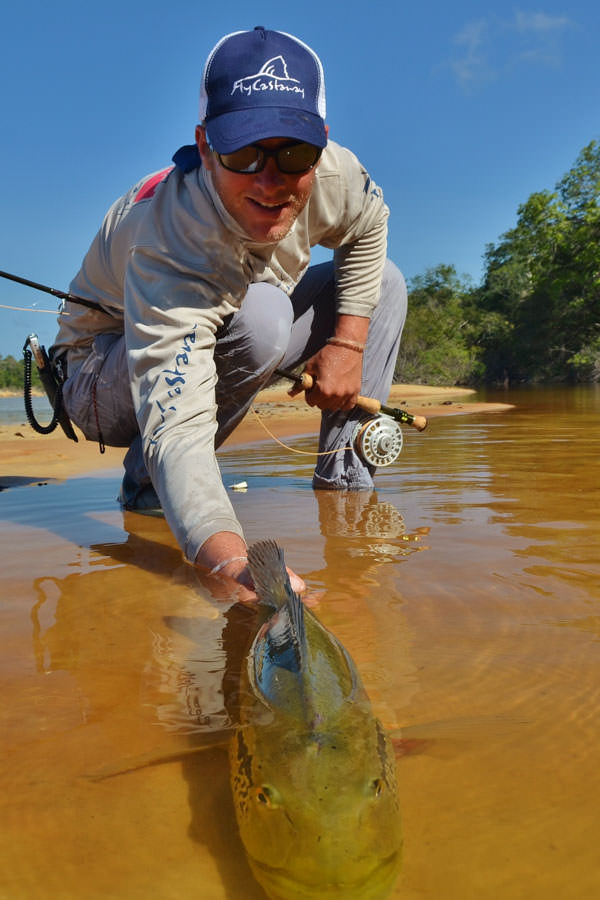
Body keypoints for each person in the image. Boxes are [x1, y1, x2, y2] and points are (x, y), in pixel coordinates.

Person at [51, 26, 407, 597]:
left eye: (293, 153)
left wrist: (348, 344)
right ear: (204, 146)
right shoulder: (169, 238)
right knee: (261, 317)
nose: (270, 180)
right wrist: (228, 562)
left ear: (321, 143)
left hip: (231, 319)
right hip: (98, 375)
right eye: (242, 153)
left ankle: (347, 488)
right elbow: (179, 424)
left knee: (382, 285)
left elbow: (370, 226)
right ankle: (147, 485)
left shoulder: (336, 175)